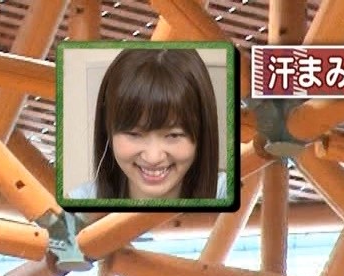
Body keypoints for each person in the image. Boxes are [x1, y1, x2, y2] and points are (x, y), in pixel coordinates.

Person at [69, 47, 227, 201]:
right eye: (134, 134)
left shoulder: (232, 195)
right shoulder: (78, 204)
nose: (153, 158)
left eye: (173, 135)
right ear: (108, 130)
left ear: (202, 134)